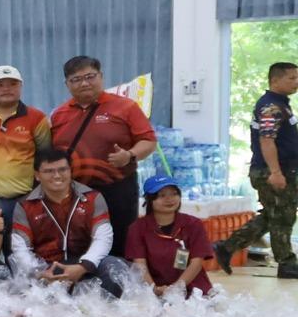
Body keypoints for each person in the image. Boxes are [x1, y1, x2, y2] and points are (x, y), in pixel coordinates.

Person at [51, 56, 157, 243]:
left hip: (117, 189)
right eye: (76, 79)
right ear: (67, 84)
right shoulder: (58, 114)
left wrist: (129, 155)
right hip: (74, 191)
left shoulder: (126, 107)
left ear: (101, 76)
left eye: (90, 76)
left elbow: (148, 141)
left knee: (120, 242)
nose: (84, 83)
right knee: (78, 244)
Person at [215, 60, 298, 279]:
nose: (296, 82)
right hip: (272, 171)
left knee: (273, 215)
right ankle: (287, 263)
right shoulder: (271, 107)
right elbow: (266, 140)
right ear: (275, 80)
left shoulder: (281, 104)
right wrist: (275, 172)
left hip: (282, 170)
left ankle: (227, 247)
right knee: (282, 217)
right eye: (292, 78)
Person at [9, 150, 128, 296]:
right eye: (49, 171)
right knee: (21, 286)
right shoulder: (25, 205)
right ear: (37, 175)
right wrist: (39, 273)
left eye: (62, 169)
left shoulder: (92, 198)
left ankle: (102, 308)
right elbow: (21, 248)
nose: (57, 176)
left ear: (70, 171)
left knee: (114, 267)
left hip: (84, 264)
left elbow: (103, 238)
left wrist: (83, 266)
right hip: (48, 269)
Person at [126, 175, 214, 299]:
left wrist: (176, 288)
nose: (170, 199)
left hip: (194, 291)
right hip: (155, 291)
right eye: (162, 195)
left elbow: (197, 262)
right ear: (149, 200)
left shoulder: (193, 224)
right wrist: (154, 289)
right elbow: (140, 265)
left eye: (174, 194)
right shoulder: (137, 228)